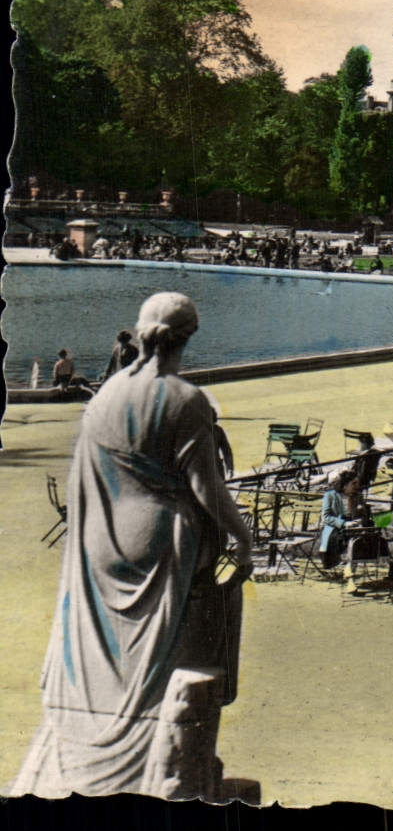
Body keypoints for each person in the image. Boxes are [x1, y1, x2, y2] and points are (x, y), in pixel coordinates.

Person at [11, 292, 254, 798]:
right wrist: (244, 537)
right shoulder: (185, 400)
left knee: (110, 650)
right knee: (170, 651)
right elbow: (208, 491)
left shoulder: (107, 394)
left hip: (102, 540)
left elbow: (84, 480)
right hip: (162, 540)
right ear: (188, 337)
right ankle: (155, 750)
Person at [319, 471, 360, 570]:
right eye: (353, 483)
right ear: (345, 485)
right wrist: (344, 523)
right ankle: (341, 561)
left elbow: (362, 514)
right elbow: (326, 517)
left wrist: (359, 520)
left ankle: (352, 564)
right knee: (337, 538)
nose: (356, 486)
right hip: (333, 525)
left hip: (353, 524)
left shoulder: (357, 496)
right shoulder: (330, 495)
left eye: (357, 483)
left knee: (363, 537)